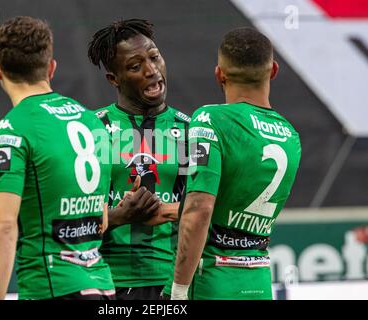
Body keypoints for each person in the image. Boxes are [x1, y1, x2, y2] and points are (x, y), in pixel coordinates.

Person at [0, 16, 115, 300]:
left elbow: (2, 226)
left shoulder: (12, 129)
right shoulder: (93, 121)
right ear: (51, 68)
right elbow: (101, 219)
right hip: (103, 286)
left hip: (51, 287)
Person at [171, 27, 301, 300]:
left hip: (212, 282)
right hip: (259, 281)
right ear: (274, 70)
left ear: (219, 73)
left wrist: (179, 290)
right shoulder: (291, 136)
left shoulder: (208, 119)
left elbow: (200, 209)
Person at [87, 19, 190, 300]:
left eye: (155, 57)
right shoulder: (91, 130)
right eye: (135, 66)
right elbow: (71, 221)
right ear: (114, 79)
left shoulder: (189, 130)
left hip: (173, 283)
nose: (152, 70)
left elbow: (208, 211)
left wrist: (170, 210)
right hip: (106, 282)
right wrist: (119, 217)